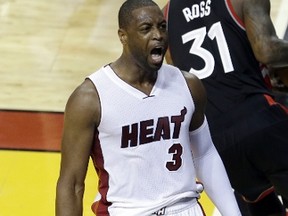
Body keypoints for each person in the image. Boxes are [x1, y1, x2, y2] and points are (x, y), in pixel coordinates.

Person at [55, 0, 242, 215]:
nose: (158, 35)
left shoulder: (189, 85)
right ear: (123, 36)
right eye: (146, 29)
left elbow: (205, 154)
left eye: (162, 26)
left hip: (185, 208)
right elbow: (71, 184)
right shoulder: (90, 98)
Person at [163, 0, 288, 215]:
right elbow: (267, 50)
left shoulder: (165, 15)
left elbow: (177, 79)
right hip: (259, 117)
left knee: (261, 205)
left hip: (216, 141)